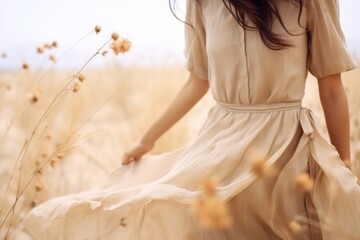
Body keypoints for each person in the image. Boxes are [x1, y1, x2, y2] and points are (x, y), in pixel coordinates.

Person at [24, 0, 360, 239]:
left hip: (285, 148)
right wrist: (148, 138)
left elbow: (331, 89)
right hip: (220, 142)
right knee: (170, 211)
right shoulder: (202, 3)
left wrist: (342, 166)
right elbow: (198, 80)